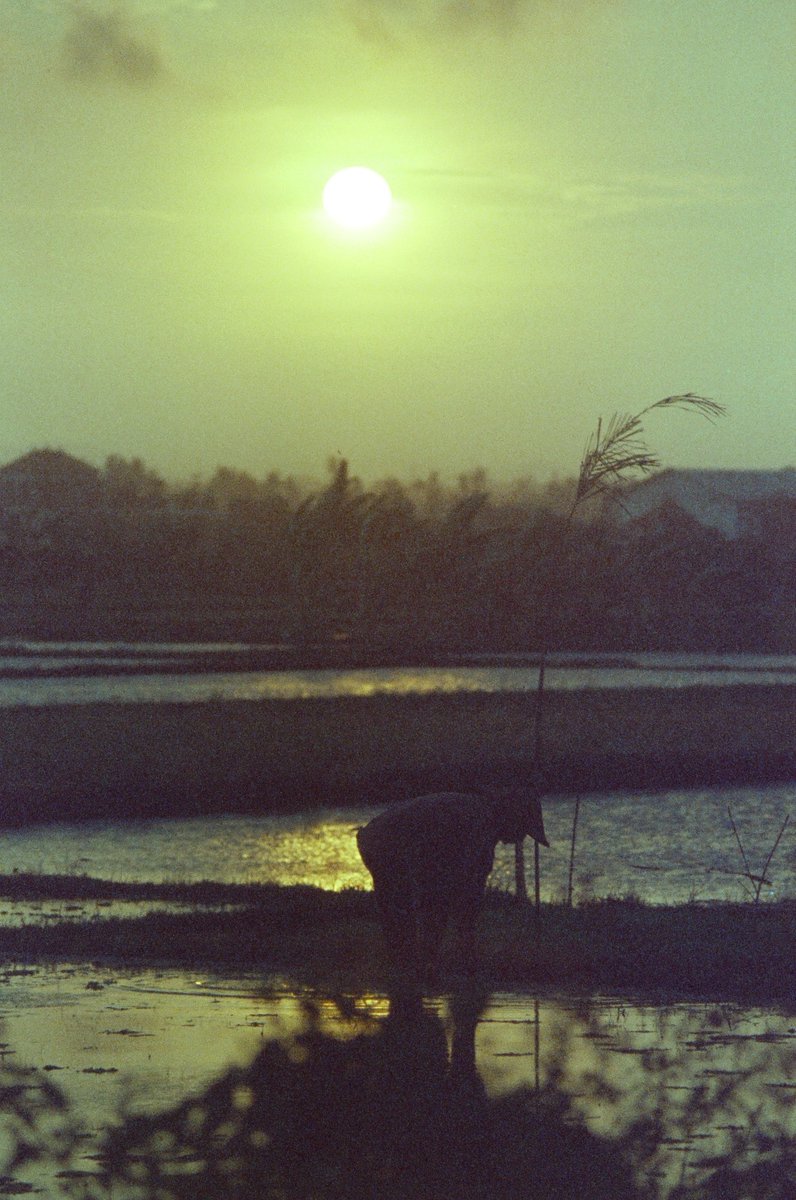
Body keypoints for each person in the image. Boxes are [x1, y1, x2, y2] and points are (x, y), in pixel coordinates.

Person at [356, 788, 549, 986]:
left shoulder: (484, 825)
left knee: (417, 909)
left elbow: (472, 890)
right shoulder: (473, 822)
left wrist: (466, 944)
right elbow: (440, 891)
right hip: (384, 842)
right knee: (406, 908)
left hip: (388, 839)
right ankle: (412, 972)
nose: (521, 838)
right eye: (523, 830)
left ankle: (415, 972)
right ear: (512, 818)